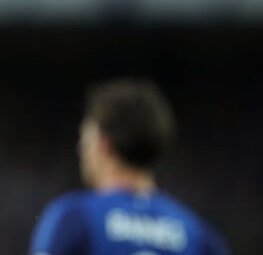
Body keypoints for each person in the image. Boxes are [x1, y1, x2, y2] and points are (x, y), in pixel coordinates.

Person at [30, 79, 230, 255]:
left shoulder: (75, 219)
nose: (80, 148)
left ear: (104, 144)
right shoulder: (198, 236)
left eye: (85, 137)